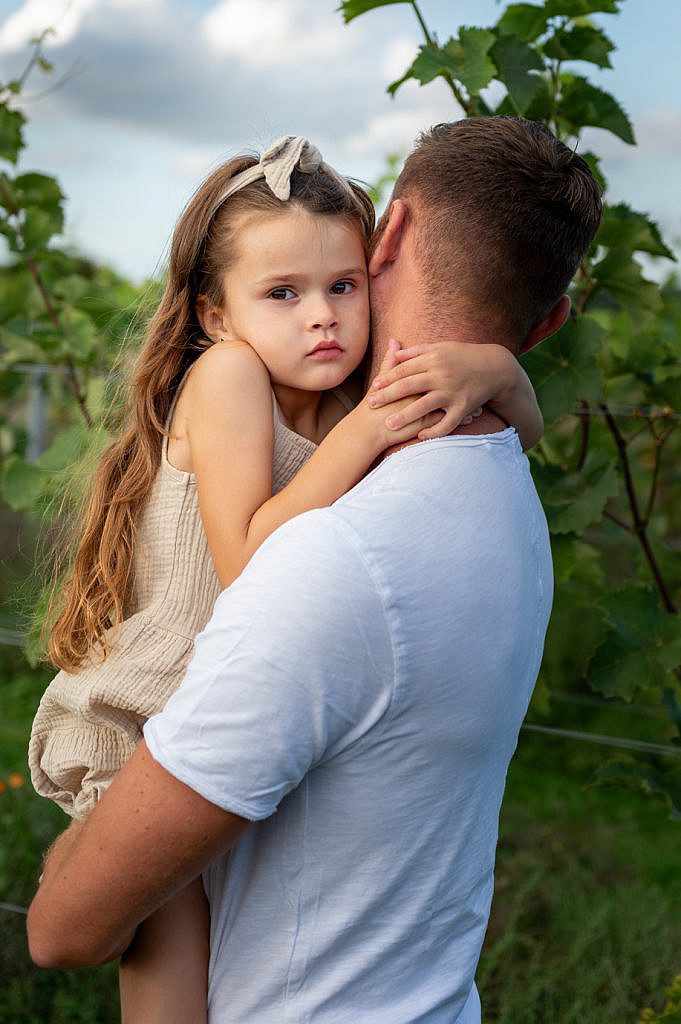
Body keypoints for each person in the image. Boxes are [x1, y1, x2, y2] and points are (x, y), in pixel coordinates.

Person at [27, 117, 602, 1022]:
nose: (323, 315)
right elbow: (252, 560)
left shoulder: (336, 393)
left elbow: (521, 431)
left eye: (341, 284)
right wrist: (375, 424)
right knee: (171, 953)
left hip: (217, 704)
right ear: (217, 314)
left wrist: (492, 368)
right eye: (283, 293)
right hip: (141, 709)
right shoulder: (231, 378)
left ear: (384, 247)